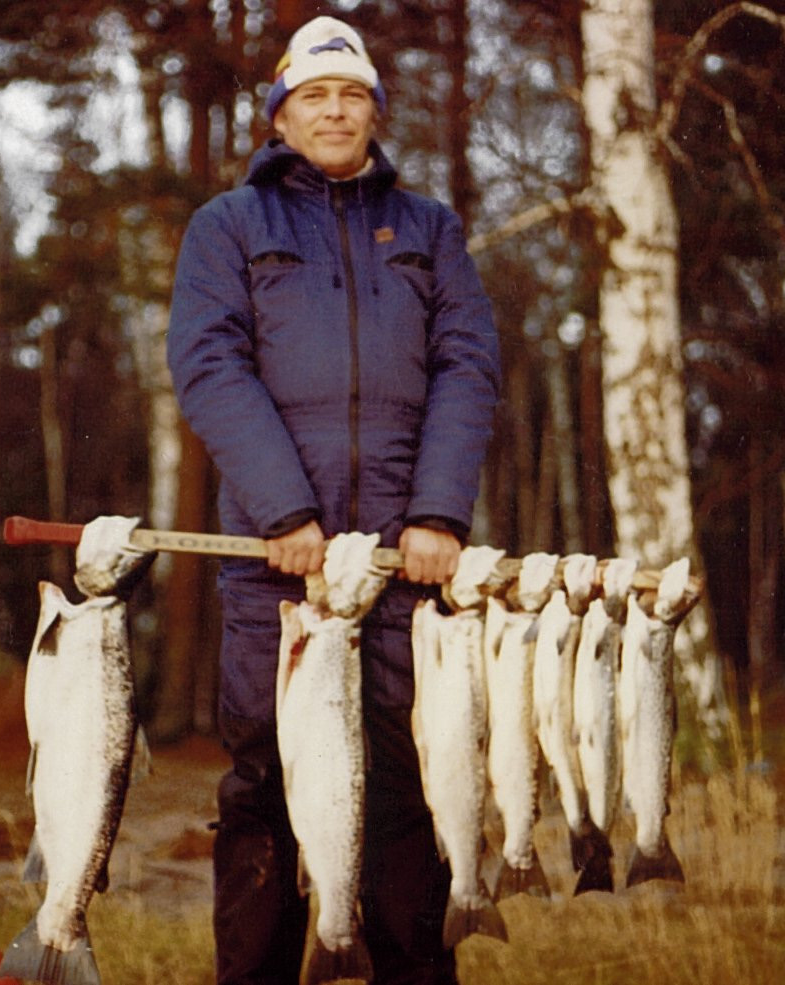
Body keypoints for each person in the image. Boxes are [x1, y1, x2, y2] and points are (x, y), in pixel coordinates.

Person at [167, 15, 500, 984]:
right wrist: (283, 513)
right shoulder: (227, 227)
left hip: (404, 571)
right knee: (263, 794)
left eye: (350, 94)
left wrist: (437, 514)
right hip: (273, 574)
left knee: (405, 796)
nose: (333, 109)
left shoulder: (430, 231)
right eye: (312, 94)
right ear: (279, 115)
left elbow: (467, 367)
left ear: (374, 111)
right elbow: (208, 364)